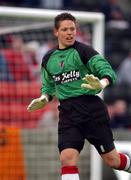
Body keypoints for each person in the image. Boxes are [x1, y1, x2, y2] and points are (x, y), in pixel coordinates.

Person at [27, 12, 131, 180]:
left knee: (112, 160)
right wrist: (44, 98)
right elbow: (48, 86)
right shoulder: (48, 59)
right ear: (56, 32)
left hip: (92, 110)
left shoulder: (84, 51)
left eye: (72, 29)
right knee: (67, 158)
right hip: (68, 113)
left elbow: (107, 71)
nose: (69, 33)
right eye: (65, 29)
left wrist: (102, 83)